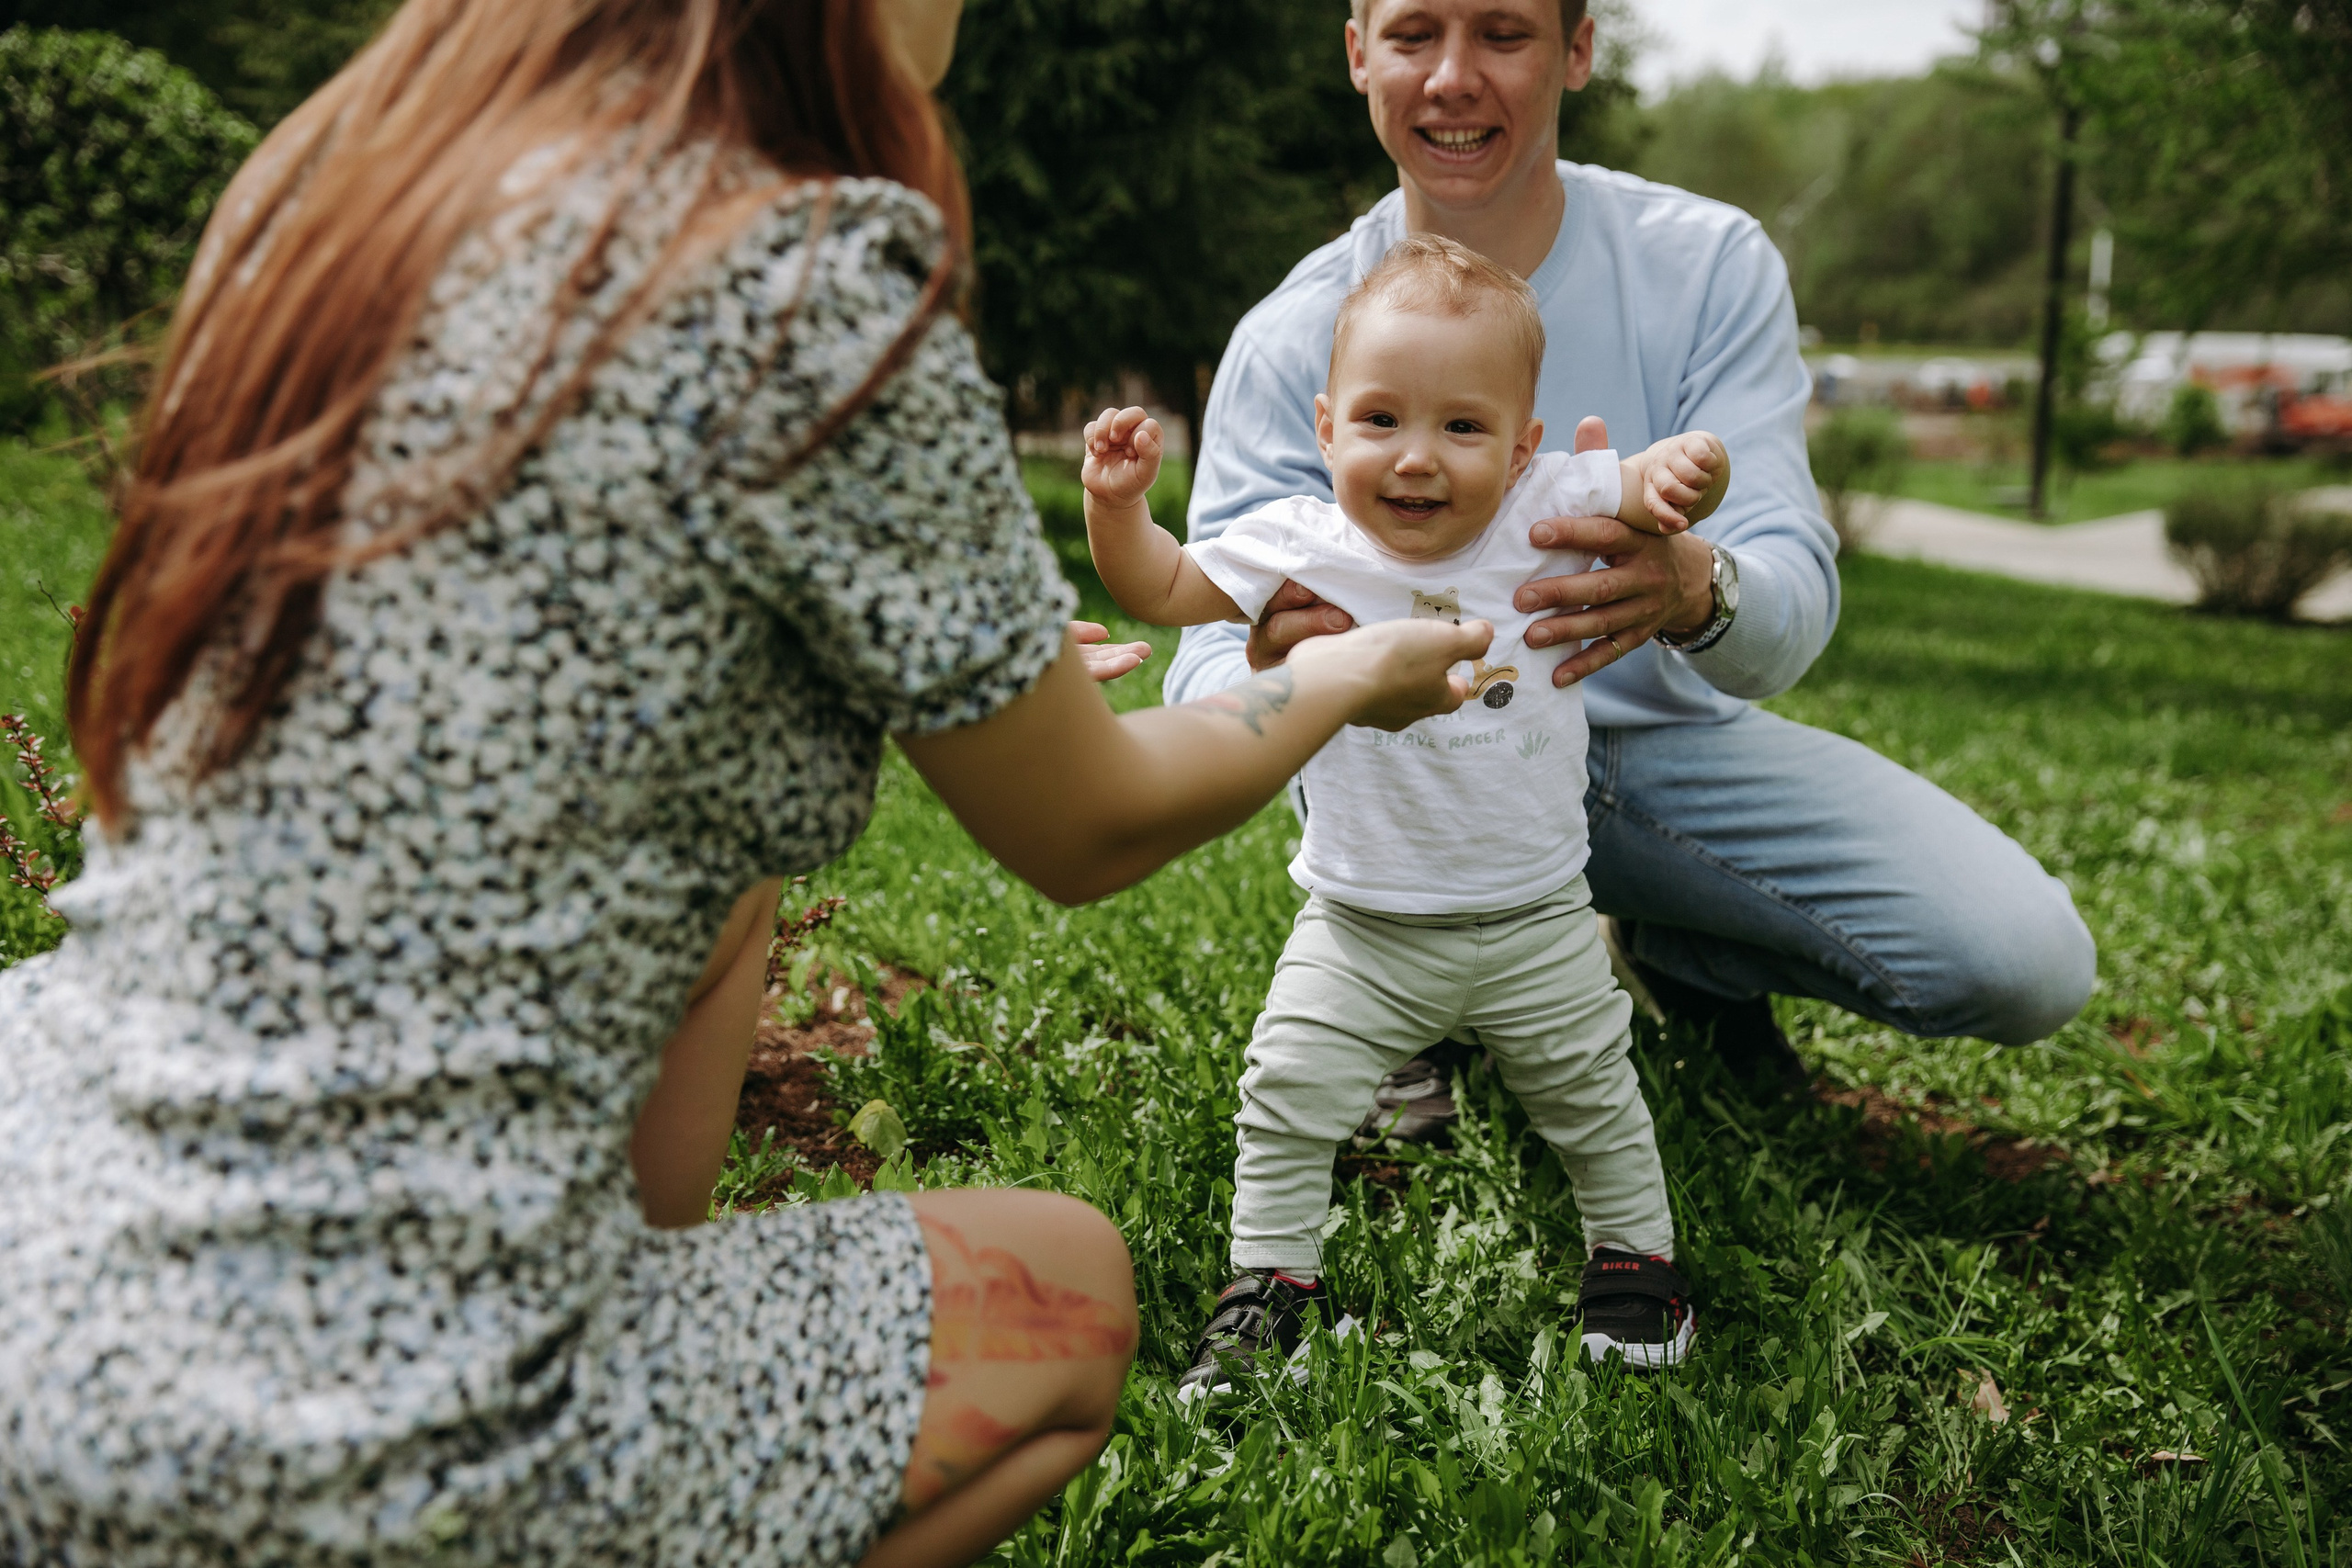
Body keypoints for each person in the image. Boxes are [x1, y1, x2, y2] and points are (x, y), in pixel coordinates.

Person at [0, 2, 1485, 1564]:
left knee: (724, 896)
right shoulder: (801, 277)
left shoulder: (335, 186)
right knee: (1067, 1293)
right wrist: (1322, 679)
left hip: (37, 1224)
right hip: (344, 1398)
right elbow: (1091, 818)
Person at [1166, 0, 2098, 1133]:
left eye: (1502, 33)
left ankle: (1683, 956)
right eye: (1413, 33)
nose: (1452, 78)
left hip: (1664, 758)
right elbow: (1200, 668)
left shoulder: (1704, 267)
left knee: (2025, 961)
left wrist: (1693, 585)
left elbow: (1790, 604)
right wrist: (1282, 669)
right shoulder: (1294, 334)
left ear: (1579, 48)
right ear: (1358, 51)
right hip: (1420, 782)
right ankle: (1411, 994)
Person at [1083, 234, 1719, 1387]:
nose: (1416, 459)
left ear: (1521, 447)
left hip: (1536, 920)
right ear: (1326, 428)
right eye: (1381, 421)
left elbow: (1651, 480)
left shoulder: (1544, 504)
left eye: (1462, 428)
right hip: (1363, 922)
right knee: (1284, 1090)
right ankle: (1272, 1280)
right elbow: (1163, 587)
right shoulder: (1301, 543)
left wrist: (1691, 474)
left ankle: (1634, 1260)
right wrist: (1116, 505)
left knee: (1595, 1097)